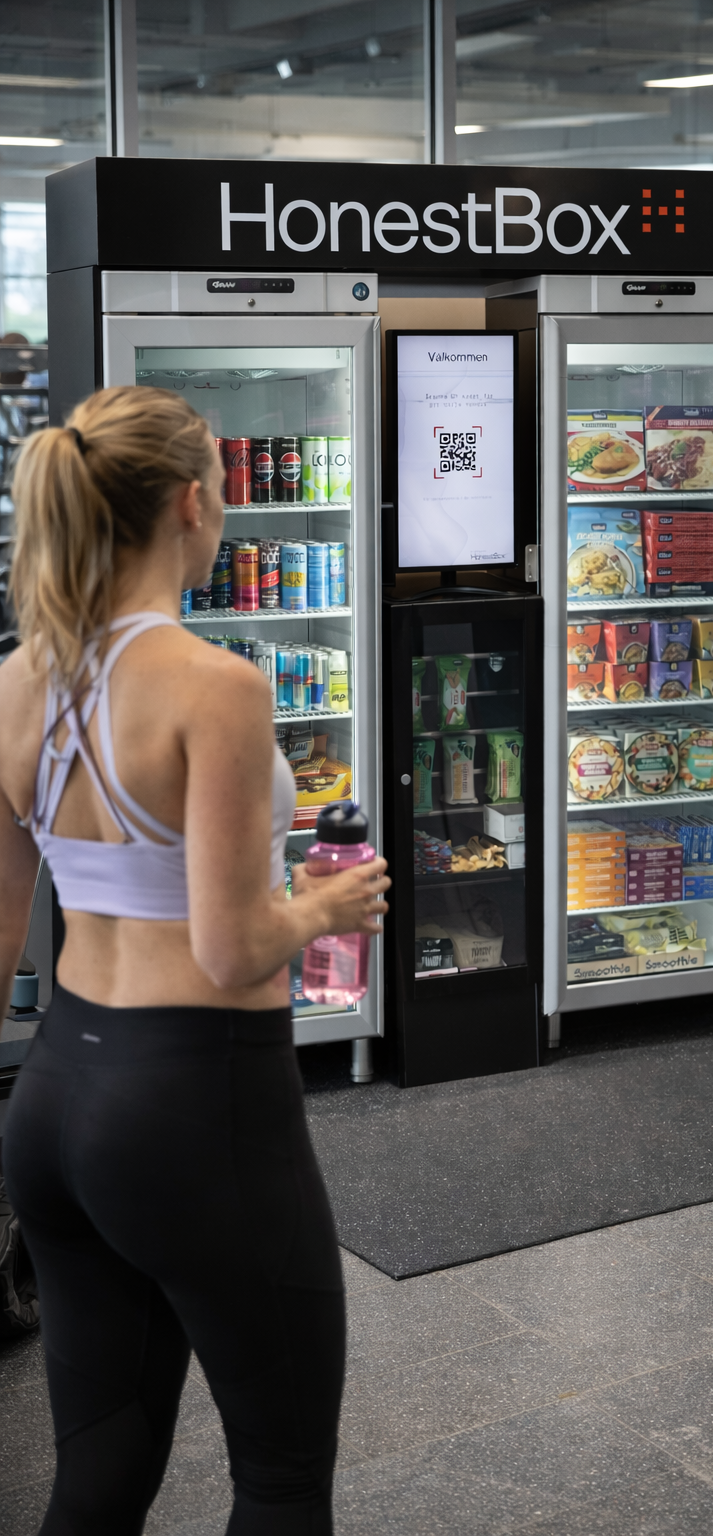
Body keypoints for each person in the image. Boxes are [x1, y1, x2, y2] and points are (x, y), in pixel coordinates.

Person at [0, 386, 390, 1536]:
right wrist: (327, 902)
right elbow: (231, 947)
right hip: (196, 1106)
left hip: (54, 1104)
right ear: (190, 503)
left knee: (100, 1470)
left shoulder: (16, 681)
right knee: (279, 1476)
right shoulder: (217, 686)